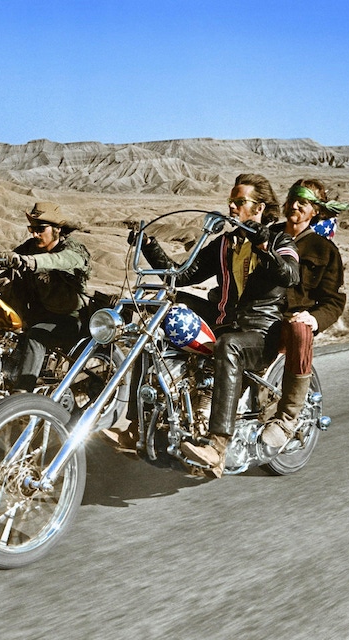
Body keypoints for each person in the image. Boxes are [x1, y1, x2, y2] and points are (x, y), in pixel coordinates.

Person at [118, 174, 300, 476]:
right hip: (223, 320)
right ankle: (136, 427)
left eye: (240, 201)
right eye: (232, 199)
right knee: (158, 312)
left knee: (228, 346)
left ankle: (217, 447)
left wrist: (264, 246)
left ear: (259, 208)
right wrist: (148, 244)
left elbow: (290, 275)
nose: (231, 205)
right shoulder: (225, 244)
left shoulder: (281, 240)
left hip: (260, 332)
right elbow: (182, 274)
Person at [261, 179, 349, 447]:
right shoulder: (268, 236)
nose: (296, 205)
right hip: (258, 314)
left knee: (301, 328)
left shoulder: (325, 250)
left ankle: (288, 419)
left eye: (304, 202)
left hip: (290, 323)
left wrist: (313, 318)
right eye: (293, 199)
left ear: (316, 211)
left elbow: (333, 301)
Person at [0, 202, 91, 391]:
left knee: (36, 337)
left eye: (40, 229)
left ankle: (22, 395)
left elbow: (60, 260)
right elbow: (11, 258)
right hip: (38, 315)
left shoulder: (74, 250)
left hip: (69, 319)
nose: (35, 234)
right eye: (32, 228)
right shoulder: (31, 247)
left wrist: (29, 261)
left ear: (57, 229)